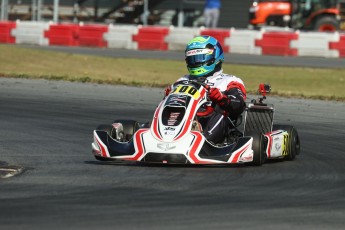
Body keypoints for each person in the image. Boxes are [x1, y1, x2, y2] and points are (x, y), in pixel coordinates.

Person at [165, 35, 246, 144]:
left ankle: (203, 142)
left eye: (199, 58)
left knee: (221, 113)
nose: (195, 62)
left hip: (215, 123)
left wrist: (222, 99)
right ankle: (160, 135)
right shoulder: (183, 80)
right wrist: (169, 96)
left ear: (215, 56)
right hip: (185, 119)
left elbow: (239, 105)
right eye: (192, 59)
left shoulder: (229, 81)